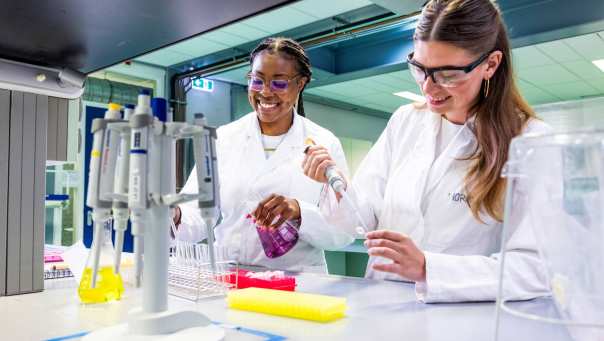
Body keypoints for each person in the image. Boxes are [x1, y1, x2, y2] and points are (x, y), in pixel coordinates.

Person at [302, 0, 552, 302]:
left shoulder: (531, 141)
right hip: (382, 308)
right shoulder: (406, 121)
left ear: (491, 64)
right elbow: (363, 219)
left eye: (448, 74)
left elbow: (536, 269)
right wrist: (340, 190)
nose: (428, 88)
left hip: (465, 322)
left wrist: (427, 268)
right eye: (419, 69)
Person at [173, 37, 353, 272]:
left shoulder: (324, 143)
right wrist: (174, 214)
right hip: (230, 277)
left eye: (279, 83)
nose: (265, 93)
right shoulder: (223, 139)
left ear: (300, 84)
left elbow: (343, 231)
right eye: (257, 81)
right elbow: (196, 212)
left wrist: (299, 212)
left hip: (298, 283)